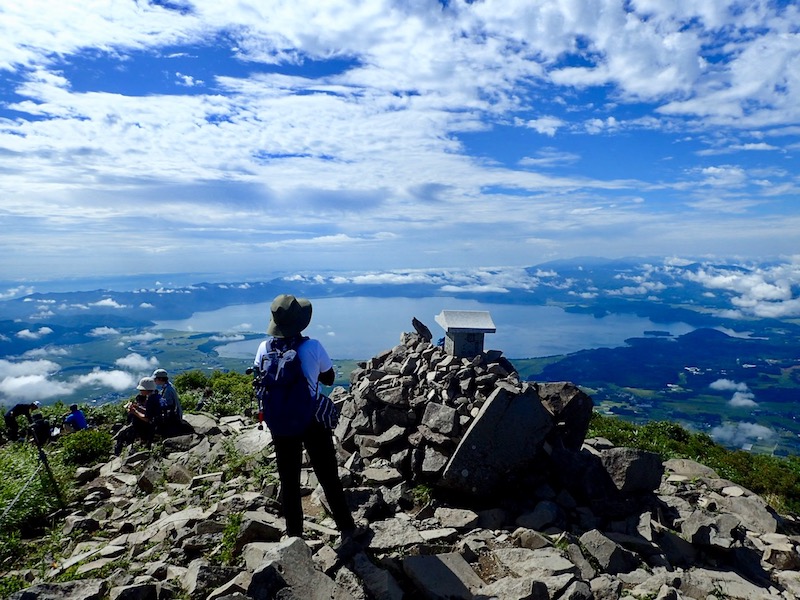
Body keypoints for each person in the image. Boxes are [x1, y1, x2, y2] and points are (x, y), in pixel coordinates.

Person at [254, 294, 357, 540]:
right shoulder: (312, 347)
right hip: (312, 420)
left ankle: (294, 537)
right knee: (328, 475)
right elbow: (329, 378)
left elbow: (260, 379)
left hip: (280, 420)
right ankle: (347, 529)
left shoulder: (263, 349)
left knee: (288, 481)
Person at [113, 377, 160, 455]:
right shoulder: (156, 396)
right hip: (158, 423)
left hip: (154, 427)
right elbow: (150, 412)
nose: (140, 391)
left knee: (133, 420)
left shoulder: (151, 400)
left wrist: (134, 412)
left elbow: (147, 418)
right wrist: (137, 407)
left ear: (146, 389)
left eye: (141, 389)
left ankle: (131, 445)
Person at [152, 368, 183, 434]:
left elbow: (168, 405)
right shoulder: (168, 386)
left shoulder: (167, 390)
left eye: (155, 379)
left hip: (174, 417)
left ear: (160, 379)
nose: (154, 381)